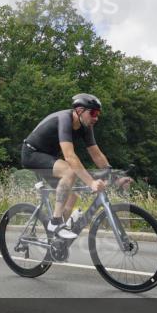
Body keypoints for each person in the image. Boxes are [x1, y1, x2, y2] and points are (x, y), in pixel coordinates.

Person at [21, 93, 115, 243]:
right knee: (70, 171)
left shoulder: (86, 126)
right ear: (79, 111)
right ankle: (55, 222)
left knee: (72, 195)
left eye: (98, 114)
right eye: (93, 113)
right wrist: (91, 183)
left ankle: (57, 240)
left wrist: (111, 172)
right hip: (32, 153)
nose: (96, 118)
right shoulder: (64, 119)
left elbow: (96, 154)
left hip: (49, 156)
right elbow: (70, 157)